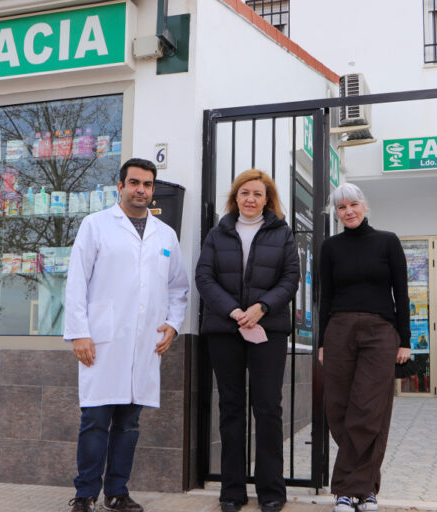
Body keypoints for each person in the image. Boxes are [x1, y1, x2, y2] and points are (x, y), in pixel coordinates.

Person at [63, 158, 189, 512]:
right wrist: (79, 333)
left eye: (147, 185)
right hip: (101, 342)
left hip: (145, 344)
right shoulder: (95, 225)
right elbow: (76, 283)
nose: (141, 190)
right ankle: (85, 493)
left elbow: (179, 288)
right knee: (95, 422)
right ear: (120, 186)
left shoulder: (165, 235)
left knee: (129, 424)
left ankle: (117, 492)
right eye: (134, 183)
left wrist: (173, 324)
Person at [195, 169, 299, 512]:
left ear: (267, 198)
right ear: (235, 197)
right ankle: (232, 491)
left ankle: (271, 491)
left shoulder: (282, 234)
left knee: (268, 408)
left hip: (268, 329)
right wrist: (234, 311)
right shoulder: (218, 232)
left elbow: (290, 279)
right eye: (244, 193)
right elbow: (204, 277)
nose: (250, 199)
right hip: (226, 329)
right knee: (231, 408)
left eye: (257, 193)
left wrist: (261, 307)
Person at [317, 183, 411, 512]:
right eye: (342, 207)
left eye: (354, 204)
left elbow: (402, 293)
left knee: (369, 410)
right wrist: (322, 341)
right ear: (336, 213)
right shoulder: (330, 247)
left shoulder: (388, 242)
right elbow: (324, 297)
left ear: (365, 206)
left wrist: (405, 340)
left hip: (380, 332)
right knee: (338, 409)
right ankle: (366, 485)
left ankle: (350, 489)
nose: (349, 211)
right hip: (339, 330)